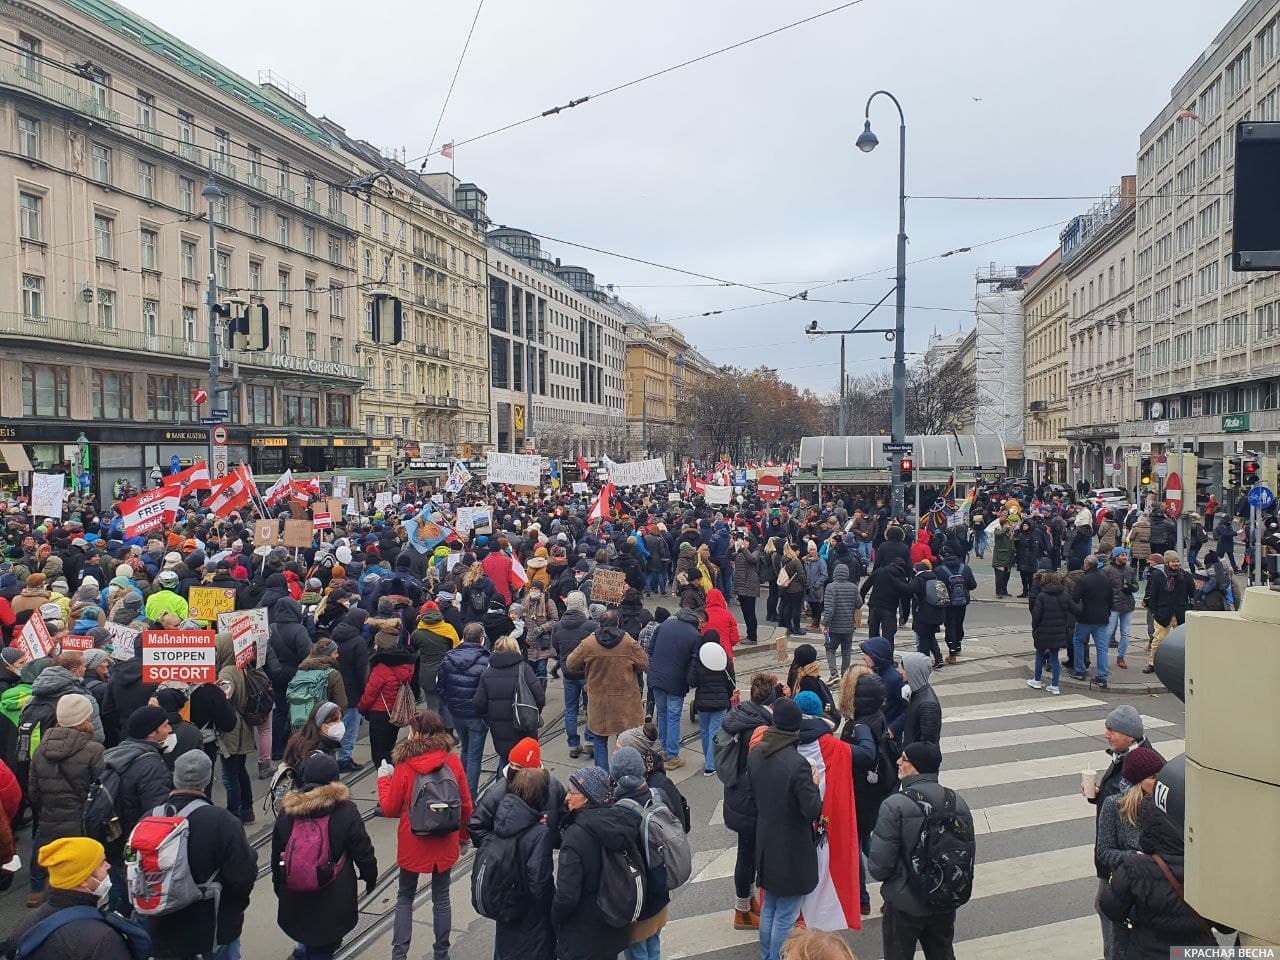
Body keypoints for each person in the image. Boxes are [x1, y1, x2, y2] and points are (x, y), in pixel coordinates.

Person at [142, 750, 257, 960]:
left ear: (174, 777)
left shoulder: (149, 819)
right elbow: (243, 876)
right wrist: (233, 910)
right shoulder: (223, 821)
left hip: (162, 926)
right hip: (213, 927)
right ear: (208, 779)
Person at [377, 709, 472, 960]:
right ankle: (442, 953)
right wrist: (462, 836)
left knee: (405, 897)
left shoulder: (405, 765)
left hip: (413, 841)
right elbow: (466, 805)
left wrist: (383, 780)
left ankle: (400, 954)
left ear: (417, 733)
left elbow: (389, 808)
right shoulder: (452, 761)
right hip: (445, 841)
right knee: (442, 898)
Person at [869, 741, 974, 960]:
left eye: (904, 759)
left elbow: (879, 866)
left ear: (916, 766)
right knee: (942, 953)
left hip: (904, 902)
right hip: (944, 897)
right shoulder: (957, 801)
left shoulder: (895, 804)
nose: (898, 762)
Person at [273, 753, 377, 960]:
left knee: (309, 933)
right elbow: (362, 850)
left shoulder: (288, 812)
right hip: (333, 893)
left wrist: (280, 885)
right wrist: (369, 875)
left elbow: (278, 854)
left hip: (295, 892)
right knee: (323, 946)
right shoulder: (346, 810)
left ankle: (303, 950)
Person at [747, 697, 823, 960]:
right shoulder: (797, 764)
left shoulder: (756, 753)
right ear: (796, 729)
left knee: (770, 907)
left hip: (766, 842)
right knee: (787, 913)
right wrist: (813, 784)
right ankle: (777, 957)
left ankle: (767, 955)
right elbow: (812, 810)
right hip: (792, 847)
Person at [1099, 795, 1220, 956]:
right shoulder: (1208, 868)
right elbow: (1226, 926)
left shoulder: (1133, 868)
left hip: (1148, 951)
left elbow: (1112, 909)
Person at [7, 836, 149, 960]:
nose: (108, 866)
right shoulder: (103, 938)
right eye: (101, 864)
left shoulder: (26, 923)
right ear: (83, 880)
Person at [551, 766, 640, 960]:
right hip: (613, 921)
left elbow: (567, 896)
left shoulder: (575, 837)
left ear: (586, 798)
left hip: (584, 933)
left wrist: (554, 917)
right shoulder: (618, 821)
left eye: (572, 793)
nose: (567, 797)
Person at [792, 692, 861, 934]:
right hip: (826, 824)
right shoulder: (836, 748)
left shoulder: (781, 742)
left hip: (790, 825)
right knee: (823, 869)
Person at [27, 693, 104, 905]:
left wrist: (45, 808)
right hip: (80, 817)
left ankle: (36, 889)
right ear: (85, 719)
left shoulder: (42, 747)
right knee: (82, 857)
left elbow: (33, 790)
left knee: (42, 846)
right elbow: (100, 788)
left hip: (49, 814)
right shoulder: (93, 749)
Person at [1094, 747, 1164, 960]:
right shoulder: (1113, 806)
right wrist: (1133, 857)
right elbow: (1104, 853)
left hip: (1158, 895)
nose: (1159, 782)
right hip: (1128, 894)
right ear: (1138, 780)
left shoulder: (1165, 805)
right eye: (1153, 777)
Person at [719, 674, 775, 929]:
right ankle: (742, 910)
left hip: (735, 792)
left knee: (748, 852)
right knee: (748, 855)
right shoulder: (761, 726)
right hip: (750, 798)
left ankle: (748, 900)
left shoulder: (742, 714)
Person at [610, 746, 674, 960]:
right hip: (660, 885)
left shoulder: (619, 810)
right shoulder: (658, 795)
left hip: (637, 895)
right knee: (654, 941)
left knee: (637, 950)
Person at [838, 665, 893, 917]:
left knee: (856, 842)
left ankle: (862, 898)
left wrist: (840, 751)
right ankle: (895, 878)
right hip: (873, 791)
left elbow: (867, 754)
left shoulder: (860, 725)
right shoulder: (877, 714)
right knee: (866, 840)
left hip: (861, 793)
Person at [566, 609, 648, 769]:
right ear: (618, 624)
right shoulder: (628, 642)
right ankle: (625, 775)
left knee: (600, 741)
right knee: (625, 741)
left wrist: (587, 667)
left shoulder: (589, 643)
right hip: (625, 702)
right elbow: (644, 663)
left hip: (599, 700)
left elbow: (570, 664)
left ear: (599, 623)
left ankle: (602, 780)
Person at [489, 767, 557, 960]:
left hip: (505, 908)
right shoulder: (539, 834)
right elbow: (539, 884)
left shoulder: (502, 817)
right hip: (530, 919)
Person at [467, 737, 566, 850]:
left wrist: (555, 839)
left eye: (518, 767)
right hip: (510, 863)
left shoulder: (554, 787)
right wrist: (503, 849)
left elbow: (567, 819)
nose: (513, 769)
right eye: (511, 764)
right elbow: (476, 827)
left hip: (541, 858)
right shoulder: (497, 793)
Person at [474, 634, 546, 767]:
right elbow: (540, 697)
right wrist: (531, 713)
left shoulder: (487, 674)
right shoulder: (524, 669)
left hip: (500, 730)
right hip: (525, 727)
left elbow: (479, 704)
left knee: (505, 760)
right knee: (528, 763)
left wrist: (491, 717)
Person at [646, 606, 702, 769]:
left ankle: (664, 749)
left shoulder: (663, 625)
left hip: (656, 677)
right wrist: (691, 682)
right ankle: (672, 755)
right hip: (676, 681)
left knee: (662, 714)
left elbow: (650, 649)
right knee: (673, 716)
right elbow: (693, 663)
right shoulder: (695, 635)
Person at [213, 631, 257, 824]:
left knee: (229, 775)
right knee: (240, 770)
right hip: (243, 726)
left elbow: (224, 701)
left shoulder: (225, 673)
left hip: (232, 730)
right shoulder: (240, 668)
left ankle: (234, 813)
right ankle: (247, 810)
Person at [357, 629, 417, 768]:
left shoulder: (381, 667)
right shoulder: (406, 663)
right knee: (390, 747)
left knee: (379, 753)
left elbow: (370, 693)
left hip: (380, 712)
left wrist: (362, 707)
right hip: (397, 710)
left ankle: (384, 777)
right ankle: (391, 772)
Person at [1085, 705, 1156, 818]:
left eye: (1112, 731)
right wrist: (1098, 794)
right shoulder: (1121, 755)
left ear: (1130, 736)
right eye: (1107, 728)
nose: (1106, 735)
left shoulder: (1147, 767)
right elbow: (1117, 794)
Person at [550, 591, 597, 758]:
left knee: (570, 709)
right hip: (587, 672)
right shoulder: (590, 626)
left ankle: (573, 744)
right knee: (590, 707)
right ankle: (590, 741)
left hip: (568, 672)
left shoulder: (557, 626)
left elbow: (555, 647)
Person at [686, 629, 736, 777]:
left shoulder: (698, 659)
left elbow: (692, 681)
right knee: (715, 732)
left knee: (705, 731)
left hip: (702, 702)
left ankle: (708, 758)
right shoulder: (724, 659)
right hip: (720, 702)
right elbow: (731, 683)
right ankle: (710, 764)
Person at [330, 606, 370, 772]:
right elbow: (362, 671)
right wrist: (365, 692)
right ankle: (345, 758)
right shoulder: (358, 642)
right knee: (350, 726)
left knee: (338, 723)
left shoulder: (335, 636)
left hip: (336, 688)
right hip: (353, 691)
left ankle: (336, 755)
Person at [1143, 550, 1195, 675]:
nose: (1176, 564)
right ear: (1167, 562)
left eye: (1177, 561)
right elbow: (1153, 595)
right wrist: (1155, 612)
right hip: (1163, 614)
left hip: (1180, 614)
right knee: (1158, 640)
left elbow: (1192, 594)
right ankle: (1152, 663)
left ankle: (1184, 664)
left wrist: (1189, 608)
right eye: (1173, 561)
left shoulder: (1186, 576)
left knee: (1183, 642)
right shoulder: (1158, 576)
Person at [1071, 555, 1114, 689]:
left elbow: (1075, 597)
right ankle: (1102, 676)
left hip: (1085, 618)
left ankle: (1080, 670)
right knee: (1102, 648)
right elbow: (1111, 599)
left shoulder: (1084, 580)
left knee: (1078, 641)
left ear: (1086, 565)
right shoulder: (1106, 579)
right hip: (1102, 618)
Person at [1027, 570, 1070, 694]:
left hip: (1043, 631)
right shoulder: (1064, 595)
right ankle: (1055, 685)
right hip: (1058, 632)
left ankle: (1037, 680)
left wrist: (1035, 628)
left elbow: (1036, 616)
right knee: (1054, 658)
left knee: (1040, 654)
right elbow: (1071, 610)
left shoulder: (1042, 596)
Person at [819, 563, 862, 680]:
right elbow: (859, 603)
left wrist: (825, 623)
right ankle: (845, 675)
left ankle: (834, 674)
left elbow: (829, 609)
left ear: (835, 573)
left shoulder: (831, 587)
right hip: (848, 626)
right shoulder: (853, 587)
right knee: (846, 651)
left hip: (834, 627)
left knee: (830, 648)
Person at [933, 549, 977, 664]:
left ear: (943, 558)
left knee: (949, 625)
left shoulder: (939, 570)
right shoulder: (965, 568)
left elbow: (935, 588)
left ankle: (951, 650)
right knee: (959, 623)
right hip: (962, 602)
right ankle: (958, 645)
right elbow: (973, 585)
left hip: (947, 603)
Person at [859, 637, 906, 736]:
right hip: (873, 731)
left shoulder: (895, 679)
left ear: (876, 656)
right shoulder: (872, 674)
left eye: (867, 654)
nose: (863, 657)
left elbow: (908, 709)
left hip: (886, 735)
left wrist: (892, 729)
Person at [1102, 548, 1138, 671]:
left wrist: (1131, 588)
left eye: (1126, 555)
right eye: (1122, 555)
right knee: (1108, 631)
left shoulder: (1130, 570)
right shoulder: (1107, 570)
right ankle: (1103, 657)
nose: (1125, 557)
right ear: (1116, 556)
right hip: (1113, 605)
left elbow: (1136, 585)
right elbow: (1103, 587)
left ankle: (1121, 656)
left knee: (1125, 633)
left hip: (1127, 605)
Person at [908, 561, 946, 668]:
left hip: (924, 614)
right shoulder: (934, 578)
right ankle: (939, 659)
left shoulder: (919, 580)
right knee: (931, 637)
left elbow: (908, 590)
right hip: (936, 613)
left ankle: (924, 662)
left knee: (923, 638)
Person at [898, 653, 941, 749]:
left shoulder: (928, 705)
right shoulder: (916, 692)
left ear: (914, 672)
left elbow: (928, 744)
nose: (900, 671)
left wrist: (907, 759)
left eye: (904, 669)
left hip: (915, 761)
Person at [864, 558, 911, 644]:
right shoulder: (901, 578)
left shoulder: (879, 572)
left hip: (874, 606)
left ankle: (873, 655)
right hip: (889, 609)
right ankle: (887, 656)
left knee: (873, 635)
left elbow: (866, 586)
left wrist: (862, 598)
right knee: (888, 637)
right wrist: (905, 615)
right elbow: (905, 599)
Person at [732, 536, 762, 644]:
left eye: (745, 541)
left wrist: (744, 549)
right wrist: (732, 546)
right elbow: (730, 557)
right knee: (745, 613)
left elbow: (752, 559)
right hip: (741, 586)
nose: (743, 542)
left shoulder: (756, 551)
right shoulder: (740, 552)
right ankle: (749, 634)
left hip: (750, 586)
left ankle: (752, 636)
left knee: (750, 613)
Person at [777, 543, 807, 638]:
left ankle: (788, 626)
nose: (799, 552)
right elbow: (801, 575)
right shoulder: (796, 561)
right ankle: (797, 628)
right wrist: (806, 585)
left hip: (786, 587)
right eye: (797, 550)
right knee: (796, 609)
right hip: (796, 588)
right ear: (794, 551)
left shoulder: (783, 560)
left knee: (788, 608)